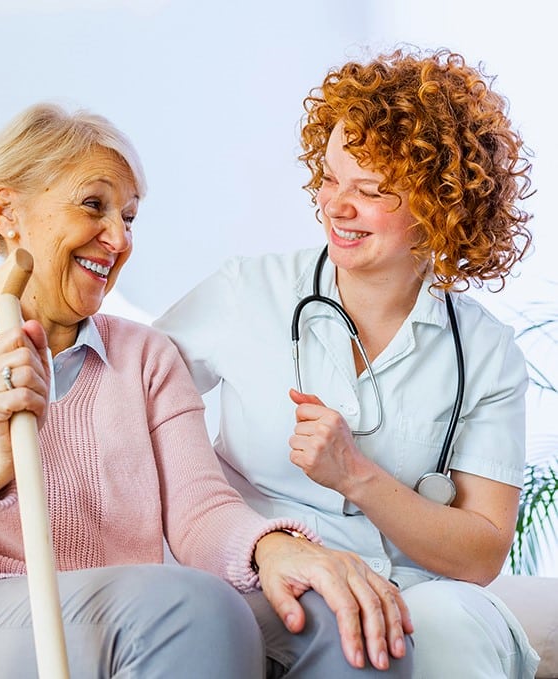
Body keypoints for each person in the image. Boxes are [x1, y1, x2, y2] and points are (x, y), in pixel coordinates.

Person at [0, 102, 413, 678]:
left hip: (103, 613)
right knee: (190, 610)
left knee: (347, 622)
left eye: (128, 217)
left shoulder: (145, 357)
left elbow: (201, 513)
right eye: (93, 205)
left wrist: (275, 547)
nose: (117, 237)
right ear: (9, 210)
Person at [154, 47, 541, 678]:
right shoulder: (247, 294)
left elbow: (479, 553)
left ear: (441, 207)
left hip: (419, 594)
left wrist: (355, 474)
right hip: (262, 580)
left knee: (446, 631)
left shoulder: (485, 353)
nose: (336, 205)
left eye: (370, 190)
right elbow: (129, 392)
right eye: (331, 178)